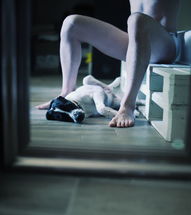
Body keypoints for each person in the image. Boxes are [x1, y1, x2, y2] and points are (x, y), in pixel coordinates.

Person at [36, 0, 180, 128]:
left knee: (137, 19)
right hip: (135, 42)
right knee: (71, 23)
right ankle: (67, 93)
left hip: (164, 44)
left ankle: (127, 106)